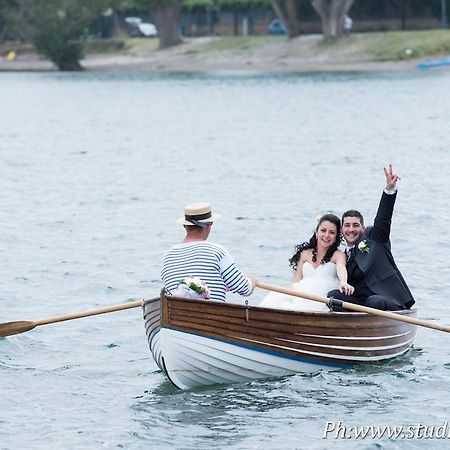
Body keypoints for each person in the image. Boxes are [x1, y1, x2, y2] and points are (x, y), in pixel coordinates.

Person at [328, 164, 415, 311]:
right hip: (361, 301)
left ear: (362, 228)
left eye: (355, 225)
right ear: (341, 230)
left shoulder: (375, 237)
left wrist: (389, 190)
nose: (351, 229)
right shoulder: (342, 255)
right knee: (333, 296)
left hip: (388, 300)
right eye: (347, 225)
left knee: (374, 302)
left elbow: (383, 218)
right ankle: (348, 328)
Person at [161, 202, 255, 302]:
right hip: (211, 315)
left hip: (176, 314)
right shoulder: (217, 252)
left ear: (184, 225)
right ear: (209, 225)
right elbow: (244, 289)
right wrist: (253, 282)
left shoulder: (168, 256)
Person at [259, 213, 354, 312]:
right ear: (316, 232)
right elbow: (296, 280)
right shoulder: (304, 253)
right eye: (323, 230)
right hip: (302, 293)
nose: (326, 235)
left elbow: (341, 268)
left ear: (336, 237)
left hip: (323, 297)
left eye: (331, 232)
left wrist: (343, 282)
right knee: (275, 299)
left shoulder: (338, 255)